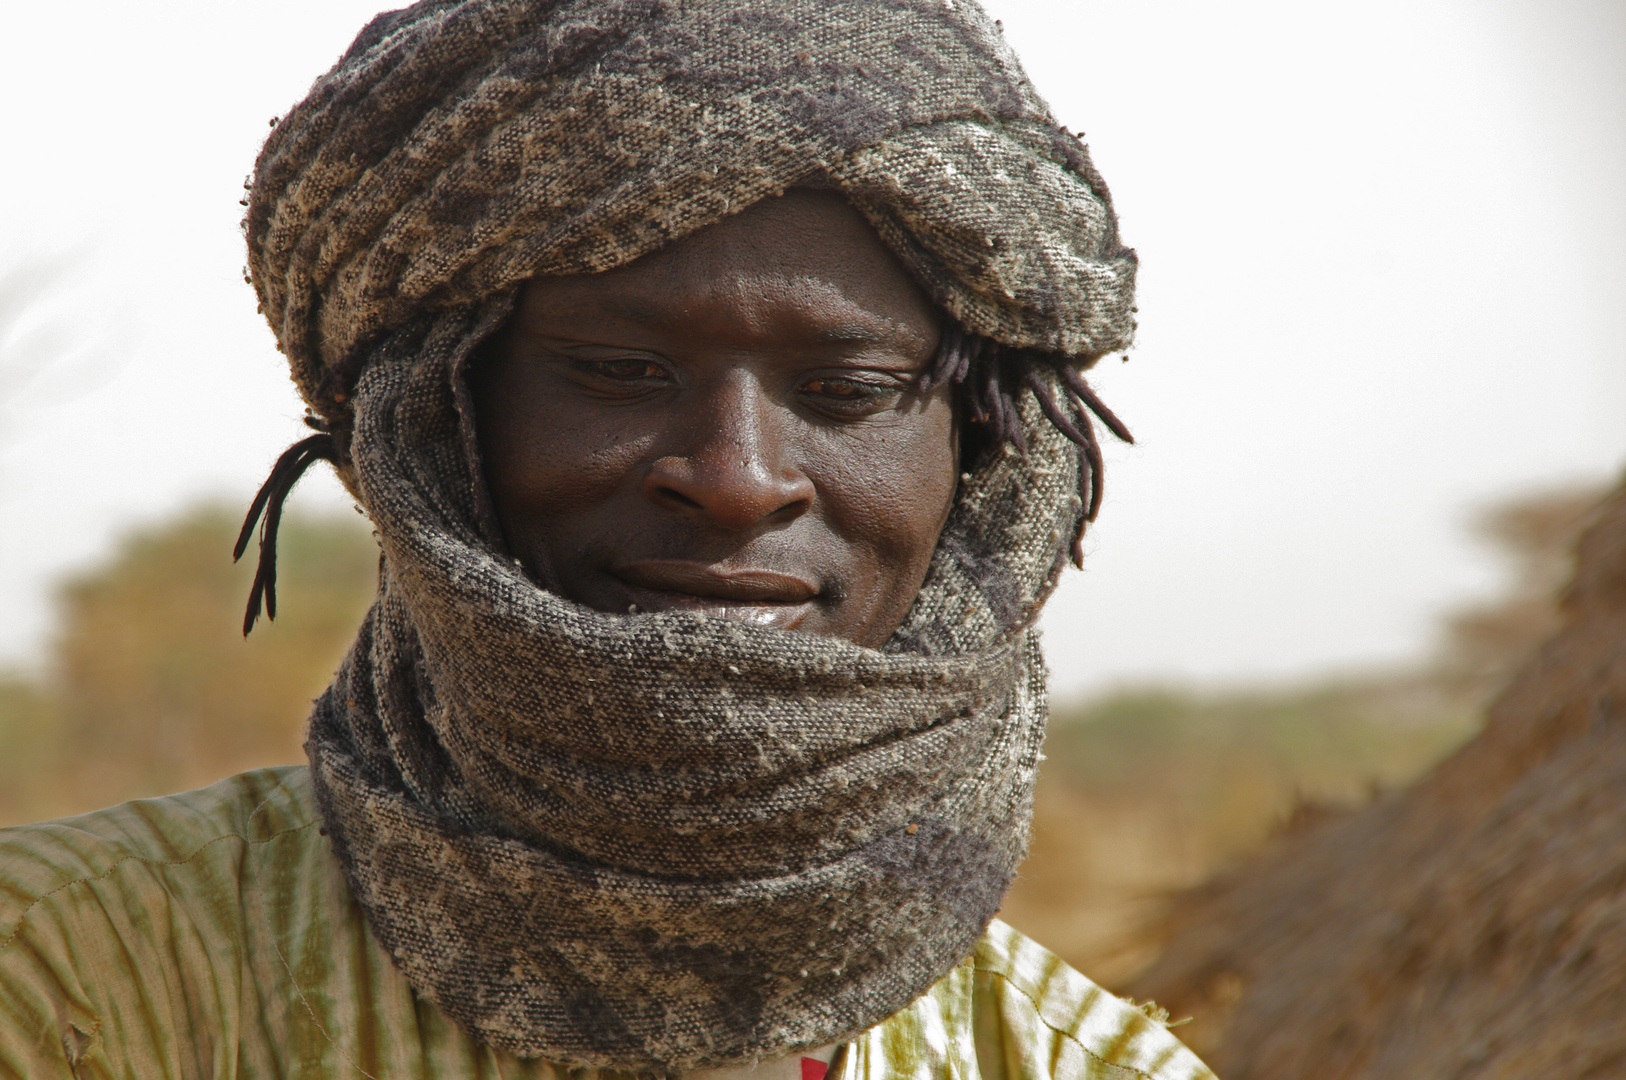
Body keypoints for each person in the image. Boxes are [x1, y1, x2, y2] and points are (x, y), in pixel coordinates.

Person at [0, 2, 1215, 1077]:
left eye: (846, 391)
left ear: (988, 463)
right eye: (621, 374)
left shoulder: (1075, 1063)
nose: (738, 483)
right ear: (432, 425)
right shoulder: (63, 983)